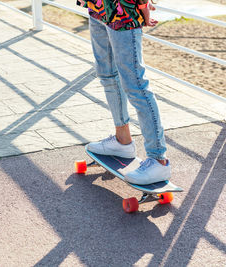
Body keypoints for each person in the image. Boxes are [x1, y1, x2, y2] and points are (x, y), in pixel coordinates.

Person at [76, 0, 170, 185]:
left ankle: (159, 160)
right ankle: (122, 140)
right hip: (98, 8)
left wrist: (144, 8)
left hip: (124, 13)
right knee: (107, 75)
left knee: (136, 86)